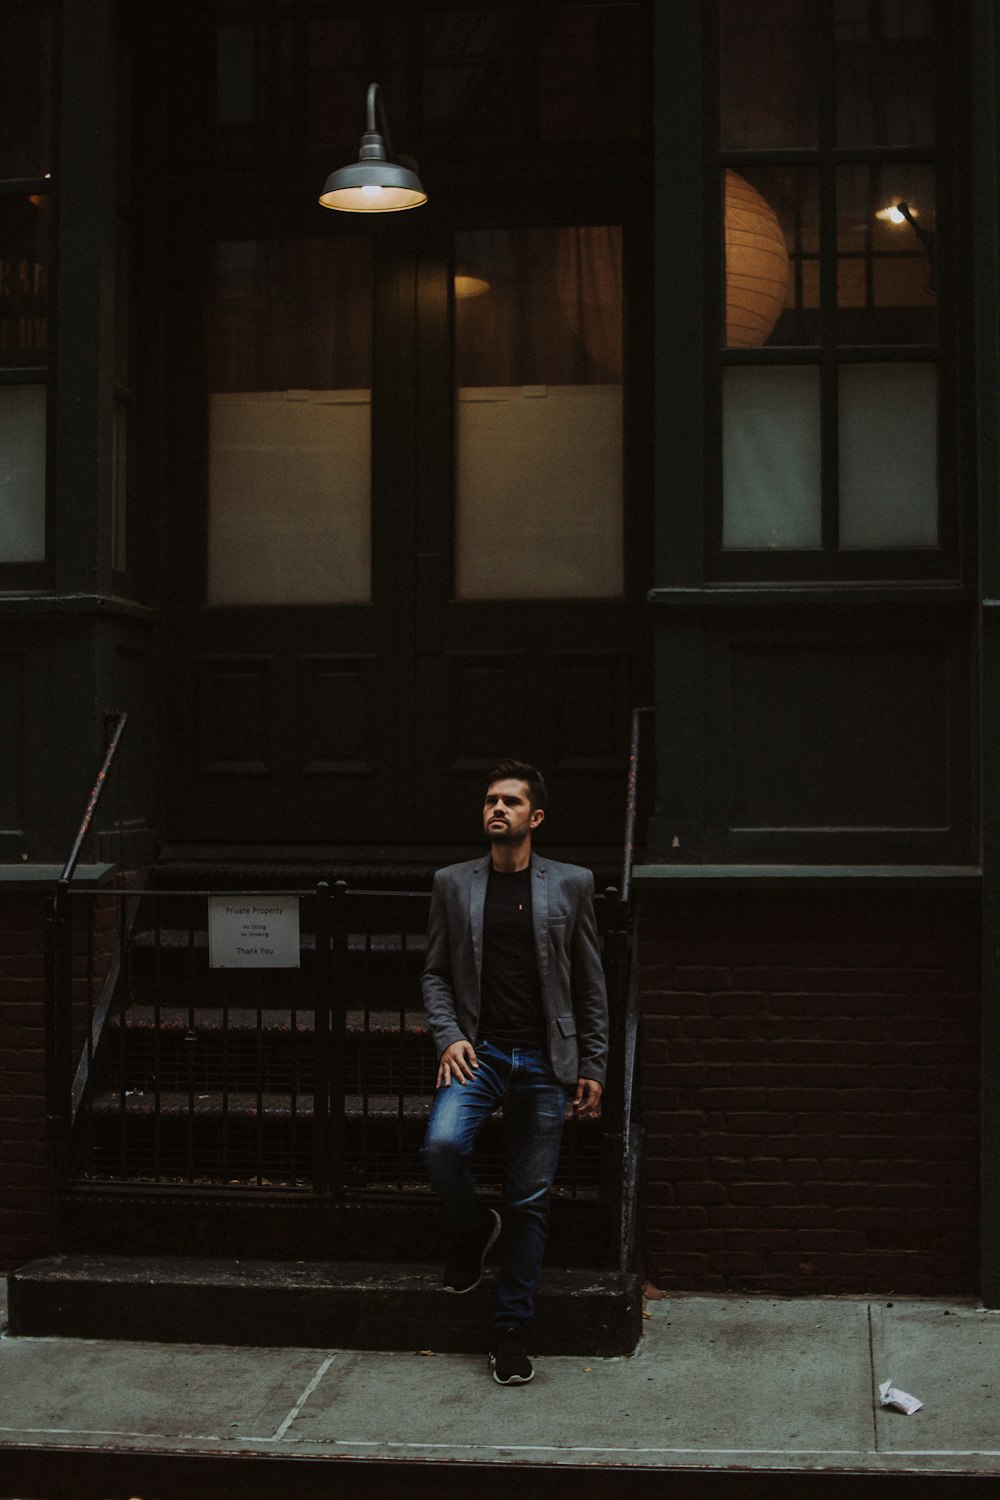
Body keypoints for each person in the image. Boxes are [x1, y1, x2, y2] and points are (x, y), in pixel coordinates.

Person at [421, 759, 609, 1385]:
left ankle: (510, 1331)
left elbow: (590, 983)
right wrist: (449, 1037)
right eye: (490, 800)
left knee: (530, 1202)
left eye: (511, 802)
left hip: (546, 1061)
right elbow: (435, 973)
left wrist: (593, 1064)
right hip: (482, 1052)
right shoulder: (453, 883)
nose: (497, 809)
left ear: (536, 817)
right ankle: (473, 1229)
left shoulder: (572, 884)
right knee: (444, 1144)